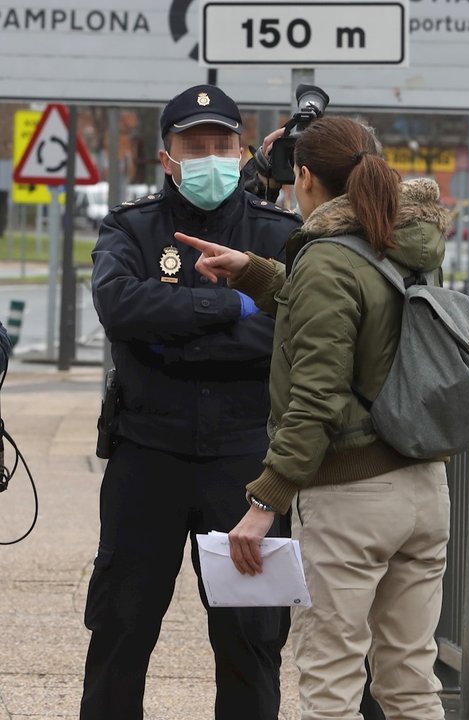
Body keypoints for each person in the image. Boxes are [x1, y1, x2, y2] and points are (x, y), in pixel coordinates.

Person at [175, 115, 451, 720]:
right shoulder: (405, 243)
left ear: (303, 177)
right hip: (423, 488)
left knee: (330, 686)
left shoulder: (329, 258)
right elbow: (360, 312)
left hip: (353, 498)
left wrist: (264, 502)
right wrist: (253, 269)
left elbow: (317, 398)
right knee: (410, 682)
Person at [79, 84, 300, 720]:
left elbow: (291, 330)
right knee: (121, 631)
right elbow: (120, 308)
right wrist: (231, 304)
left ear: (241, 148)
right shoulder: (132, 226)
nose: (209, 156)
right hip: (147, 458)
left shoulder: (277, 232)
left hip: (241, 465)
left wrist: (172, 331)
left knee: (250, 641)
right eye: (193, 145)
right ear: (167, 156)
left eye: (221, 145)